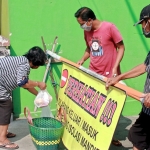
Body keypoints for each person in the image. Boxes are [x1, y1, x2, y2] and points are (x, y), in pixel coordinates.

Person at [74, 7, 125, 146]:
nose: (82, 27)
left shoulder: (109, 27)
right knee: (93, 108)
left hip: (110, 76)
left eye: (82, 23)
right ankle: (94, 138)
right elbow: (89, 48)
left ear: (89, 20)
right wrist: (82, 59)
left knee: (110, 112)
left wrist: (115, 67)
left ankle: (109, 137)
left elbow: (121, 47)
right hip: (94, 74)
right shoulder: (87, 31)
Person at [106, 4, 150, 150]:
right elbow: (144, 66)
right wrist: (119, 77)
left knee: (138, 136)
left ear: (149, 21)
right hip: (147, 108)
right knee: (137, 135)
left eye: (143, 23)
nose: (143, 27)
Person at [0, 46, 47, 149]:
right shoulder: (24, 65)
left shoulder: (22, 61)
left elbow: (26, 85)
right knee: (5, 106)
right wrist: (38, 83)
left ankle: (2, 132)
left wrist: (39, 95)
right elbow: (23, 83)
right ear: (35, 62)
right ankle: (2, 139)